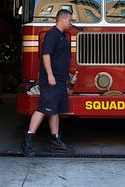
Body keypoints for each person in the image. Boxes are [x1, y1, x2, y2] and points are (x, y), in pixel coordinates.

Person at [21, 9, 75, 156]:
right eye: (70, 20)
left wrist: (66, 76)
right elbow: (46, 55)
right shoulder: (52, 35)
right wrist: (50, 75)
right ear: (62, 19)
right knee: (43, 108)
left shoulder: (62, 36)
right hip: (52, 80)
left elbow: (61, 59)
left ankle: (55, 141)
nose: (71, 23)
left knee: (54, 111)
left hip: (60, 79)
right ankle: (28, 140)